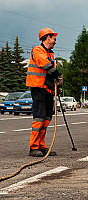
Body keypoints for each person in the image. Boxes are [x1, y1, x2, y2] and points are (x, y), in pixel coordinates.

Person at [26, 28, 63, 157]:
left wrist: (56, 83)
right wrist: (58, 75)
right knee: (39, 118)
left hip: (47, 89)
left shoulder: (50, 54)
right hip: (38, 89)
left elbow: (49, 72)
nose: (55, 41)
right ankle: (33, 147)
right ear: (47, 38)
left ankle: (41, 146)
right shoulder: (38, 51)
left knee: (47, 118)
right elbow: (45, 65)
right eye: (54, 39)